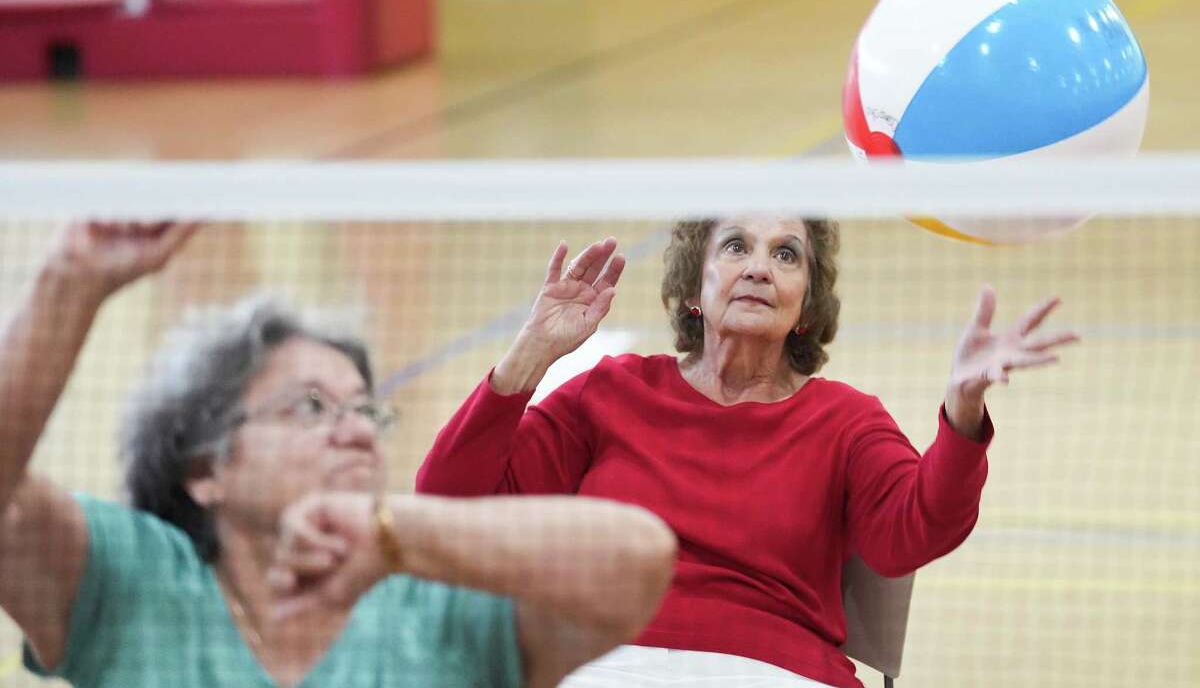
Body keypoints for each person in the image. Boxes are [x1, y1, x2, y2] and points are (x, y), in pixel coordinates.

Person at [0, 221, 677, 688]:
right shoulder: (125, 582)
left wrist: (395, 532)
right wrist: (71, 279)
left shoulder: (439, 606)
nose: (356, 431)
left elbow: (639, 558)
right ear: (207, 469)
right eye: (310, 407)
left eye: (364, 409)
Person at [416, 217, 1079, 688]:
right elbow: (448, 507)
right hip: (607, 663)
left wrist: (962, 413)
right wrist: (531, 352)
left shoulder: (845, 420)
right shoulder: (610, 393)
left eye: (787, 254)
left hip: (777, 673)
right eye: (736, 246)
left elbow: (915, 530)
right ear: (695, 291)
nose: (761, 265)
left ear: (807, 310)